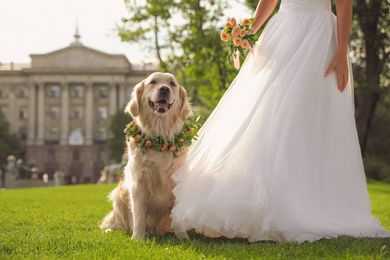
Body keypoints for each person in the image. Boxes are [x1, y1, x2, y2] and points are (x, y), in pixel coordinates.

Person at [170, 0, 390, 242]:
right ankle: (257, 198)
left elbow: (344, 3)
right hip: (282, 31)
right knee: (264, 112)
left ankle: (304, 202)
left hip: (318, 36)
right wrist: (250, 32)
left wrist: (341, 50)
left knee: (305, 115)